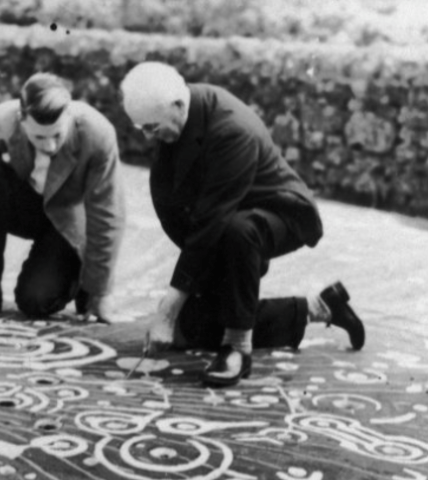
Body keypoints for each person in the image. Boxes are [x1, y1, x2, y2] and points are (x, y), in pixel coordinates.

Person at [119, 62, 365, 387]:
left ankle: (237, 347)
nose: (150, 137)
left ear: (178, 105)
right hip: (230, 219)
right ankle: (318, 308)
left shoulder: (233, 129)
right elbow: (181, 208)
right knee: (192, 328)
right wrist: (203, 283)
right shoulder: (176, 111)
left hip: (282, 212)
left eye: (152, 127)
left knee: (239, 231)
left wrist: (167, 307)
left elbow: (211, 222)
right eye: (143, 129)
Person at [0, 73, 125, 321]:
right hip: (30, 207)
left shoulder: (98, 133)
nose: (50, 146)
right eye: (40, 137)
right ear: (22, 121)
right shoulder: (0, 120)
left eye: (57, 136)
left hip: (68, 222)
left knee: (35, 302)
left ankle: (78, 280)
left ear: (69, 117)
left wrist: (100, 291)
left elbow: (108, 213)